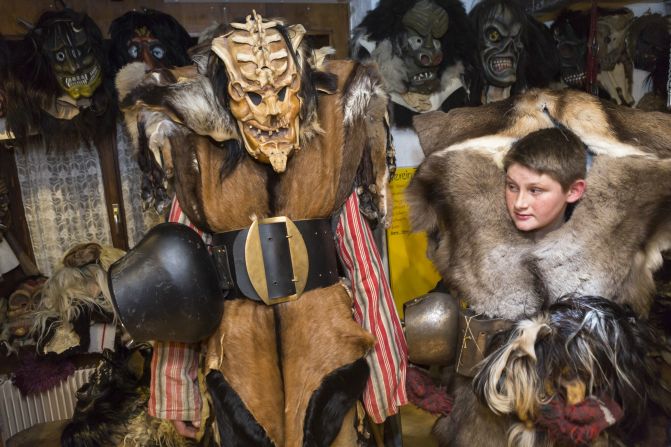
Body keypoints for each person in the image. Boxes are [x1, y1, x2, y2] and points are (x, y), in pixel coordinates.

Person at [503, 127, 587, 240]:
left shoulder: (598, 253)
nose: (519, 204)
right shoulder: (481, 240)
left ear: (573, 191)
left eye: (535, 190)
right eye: (512, 187)